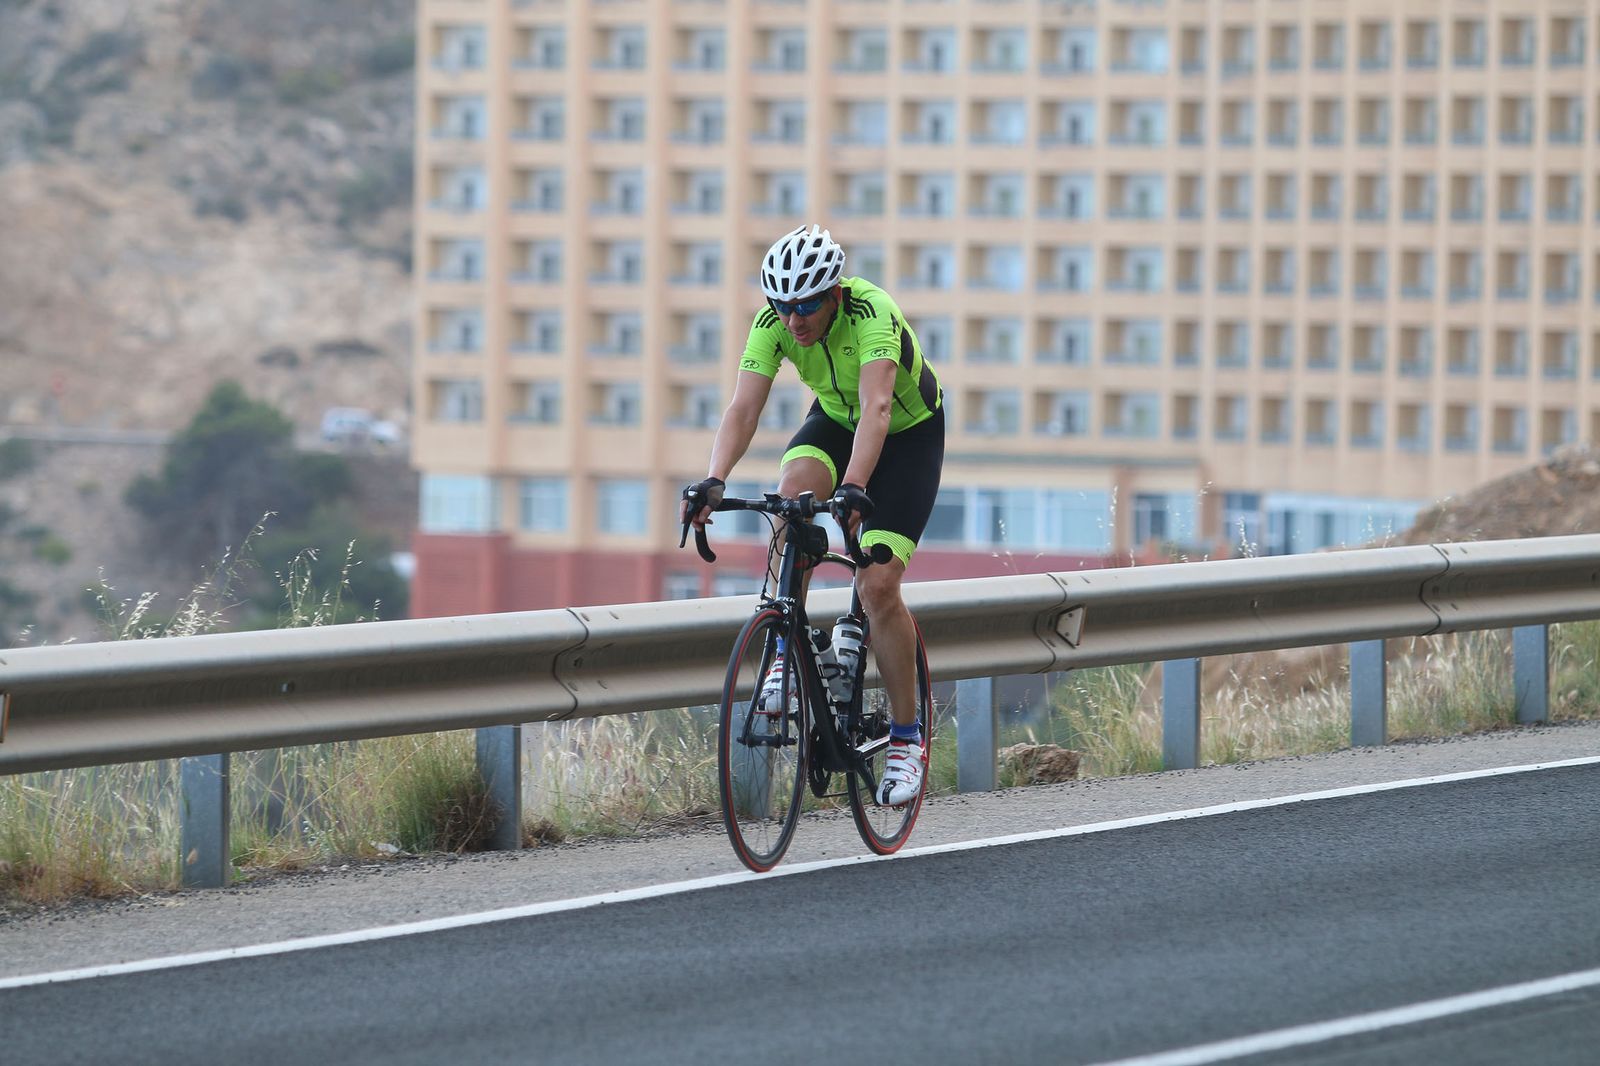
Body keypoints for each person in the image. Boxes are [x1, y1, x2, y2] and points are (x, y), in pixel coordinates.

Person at [681, 224, 945, 806]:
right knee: (789, 499)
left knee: (877, 587)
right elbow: (743, 407)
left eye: (806, 304)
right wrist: (714, 479)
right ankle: (783, 655)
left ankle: (907, 739)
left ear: (835, 295)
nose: (794, 319)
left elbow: (878, 407)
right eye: (782, 304)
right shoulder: (774, 323)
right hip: (835, 418)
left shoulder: (873, 312)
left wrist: (853, 488)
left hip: (905, 434)